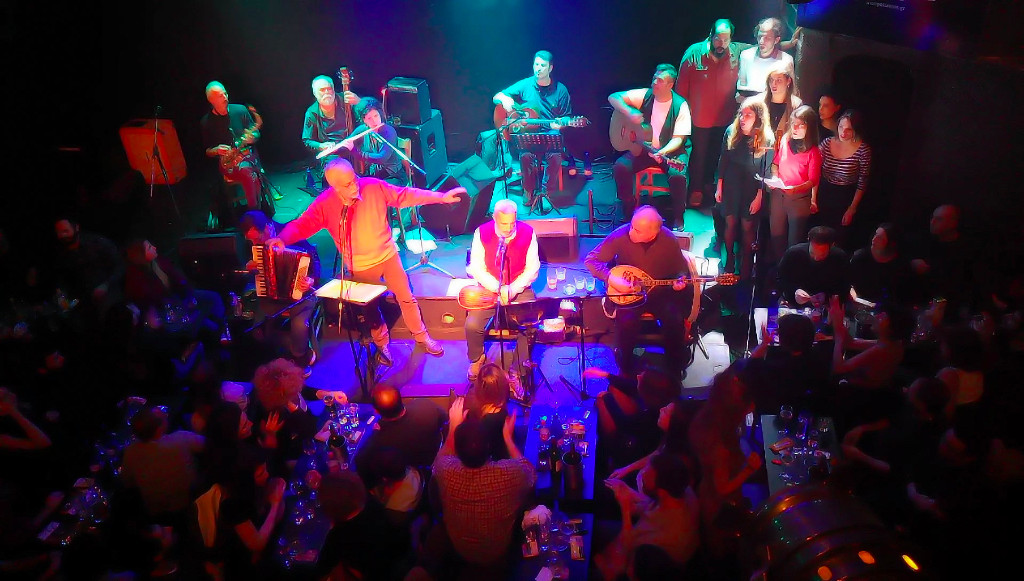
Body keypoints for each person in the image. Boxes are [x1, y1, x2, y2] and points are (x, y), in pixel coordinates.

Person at [266, 158, 465, 365]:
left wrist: (440, 197)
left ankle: (422, 336)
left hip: (388, 256)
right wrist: (283, 238)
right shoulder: (325, 204)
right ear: (334, 187)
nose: (355, 186)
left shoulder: (373, 186)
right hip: (360, 266)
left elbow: (404, 195)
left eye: (354, 179)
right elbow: (303, 225)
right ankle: (382, 344)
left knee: (407, 298)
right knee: (370, 309)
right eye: (347, 184)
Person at [584, 206, 700, 382]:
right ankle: (626, 368)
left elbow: (680, 272)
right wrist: (611, 278)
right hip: (630, 293)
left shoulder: (668, 240)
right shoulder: (621, 235)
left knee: (674, 320)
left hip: (660, 292)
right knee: (626, 322)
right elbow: (592, 260)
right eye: (632, 225)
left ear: (653, 234)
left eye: (637, 230)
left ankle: (673, 370)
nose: (631, 231)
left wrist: (679, 283)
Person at [430, 398, 535, 571]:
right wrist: (508, 438)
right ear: (488, 447)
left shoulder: (445, 470)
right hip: (499, 552)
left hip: (461, 550)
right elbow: (530, 473)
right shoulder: (508, 473)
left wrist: (454, 427)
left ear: (457, 451)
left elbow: (439, 460)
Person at [609, 64, 693, 230]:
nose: (654, 82)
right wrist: (629, 112)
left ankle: (678, 215)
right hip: (644, 149)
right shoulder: (645, 95)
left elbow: (679, 139)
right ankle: (628, 207)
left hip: (671, 151)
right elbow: (613, 97)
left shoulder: (680, 105)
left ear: (670, 85)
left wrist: (662, 152)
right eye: (654, 78)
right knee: (621, 167)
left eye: (660, 80)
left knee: (678, 175)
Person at [464, 199, 540, 380]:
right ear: (494, 218)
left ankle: (518, 369)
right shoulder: (481, 233)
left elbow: (532, 269)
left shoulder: (528, 232)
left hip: (518, 288)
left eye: (512, 223)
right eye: (504, 224)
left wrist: (512, 290)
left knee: (529, 325)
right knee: (472, 325)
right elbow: (477, 268)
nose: (509, 228)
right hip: (490, 288)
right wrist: (498, 289)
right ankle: (477, 358)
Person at [597, 452, 701, 580]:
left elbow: (628, 548)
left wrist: (625, 509)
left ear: (661, 491)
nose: (642, 475)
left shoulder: (666, 535)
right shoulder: (681, 490)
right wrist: (628, 491)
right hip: (634, 540)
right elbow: (652, 506)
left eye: (646, 476)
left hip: (637, 565)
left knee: (593, 536)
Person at [239, 210, 321, 371]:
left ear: (268, 227)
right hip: (270, 294)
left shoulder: (290, 233)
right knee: (256, 329)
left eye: (258, 238)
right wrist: (250, 270)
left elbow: (315, 261)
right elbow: (248, 272)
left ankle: (299, 356)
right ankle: (297, 347)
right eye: (251, 240)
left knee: (299, 325)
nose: (255, 243)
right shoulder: (252, 244)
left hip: (300, 294)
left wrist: (311, 279)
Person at [676, 19, 744, 208]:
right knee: (699, 155)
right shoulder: (694, 53)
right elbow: (680, 89)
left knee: (717, 154)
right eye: (718, 39)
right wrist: (683, 116)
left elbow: (763, 46)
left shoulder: (737, 51)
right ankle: (696, 189)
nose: (721, 43)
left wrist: (787, 43)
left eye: (726, 39)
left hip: (725, 117)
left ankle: (708, 185)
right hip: (700, 118)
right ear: (710, 36)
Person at [493, 50, 573, 207]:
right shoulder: (526, 84)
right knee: (525, 156)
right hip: (529, 133)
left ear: (550, 68)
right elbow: (496, 96)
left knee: (555, 156)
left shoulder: (561, 90)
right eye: (536, 64)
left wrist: (561, 124)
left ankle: (546, 193)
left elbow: (566, 117)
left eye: (542, 65)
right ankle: (528, 190)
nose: (538, 68)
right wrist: (504, 99)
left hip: (550, 132)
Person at [715, 98, 776, 278]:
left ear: (758, 117)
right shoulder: (731, 131)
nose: (743, 118)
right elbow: (723, 159)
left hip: (752, 186)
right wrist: (719, 185)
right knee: (730, 222)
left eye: (748, 115)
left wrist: (760, 195)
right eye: (741, 114)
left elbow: (766, 171)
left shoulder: (766, 138)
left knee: (747, 226)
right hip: (732, 183)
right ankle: (729, 259)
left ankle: (747, 264)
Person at [124, 239, 226, 344]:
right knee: (201, 319)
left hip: (179, 295)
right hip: (166, 307)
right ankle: (214, 333)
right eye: (149, 248)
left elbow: (179, 279)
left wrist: (188, 295)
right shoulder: (136, 275)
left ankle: (220, 327)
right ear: (141, 255)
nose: (154, 248)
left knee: (213, 297)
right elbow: (149, 300)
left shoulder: (160, 262)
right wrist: (178, 303)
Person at [315, 471, 408, 581]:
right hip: (393, 557)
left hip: (374, 573)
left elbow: (320, 569)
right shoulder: (371, 502)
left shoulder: (338, 537)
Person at [120, 405, 205, 524]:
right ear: (159, 428)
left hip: (156, 515)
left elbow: (128, 483)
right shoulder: (182, 438)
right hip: (192, 504)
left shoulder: (130, 453)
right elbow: (209, 444)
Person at [584, 366, 680, 469]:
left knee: (601, 400)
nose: (638, 376)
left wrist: (607, 397)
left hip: (633, 451)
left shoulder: (652, 416)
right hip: (637, 432)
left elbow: (624, 423)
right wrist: (605, 375)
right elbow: (632, 385)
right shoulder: (663, 399)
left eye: (642, 378)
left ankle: (602, 455)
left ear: (649, 391)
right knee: (613, 388)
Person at [200, 81, 267, 211]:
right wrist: (216, 150)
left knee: (247, 171)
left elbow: (257, 133)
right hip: (228, 164)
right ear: (211, 100)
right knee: (248, 172)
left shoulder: (240, 110)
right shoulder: (206, 122)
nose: (225, 97)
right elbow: (207, 151)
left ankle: (254, 209)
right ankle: (256, 210)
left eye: (225, 93)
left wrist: (252, 137)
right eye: (220, 96)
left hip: (247, 156)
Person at [770, 105, 821, 261]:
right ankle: (779, 267)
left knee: (794, 241)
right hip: (779, 195)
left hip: (799, 200)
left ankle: (791, 268)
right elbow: (775, 163)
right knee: (776, 236)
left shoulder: (814, 152)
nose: (795, 128)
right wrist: (775, 178)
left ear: (809, 128)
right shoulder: (786, 140)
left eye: (801, 125)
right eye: (793, 123)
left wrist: (795, 189)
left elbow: (813, 180)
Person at [355, 383, 445, 472]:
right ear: (400, 399)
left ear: (377, 411)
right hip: (434, 457)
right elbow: (445, 421)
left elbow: (361, 460)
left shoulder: (381, 441)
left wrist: (375, 433)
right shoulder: (425, 404)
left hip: (410, 471)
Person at [816, 110, 872, 248]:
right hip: (824, 192)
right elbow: (814, 169)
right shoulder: (827, 143)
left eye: (849, 129)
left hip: (845, 197)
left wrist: (852, 208)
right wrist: (813, 198)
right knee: (819, 235)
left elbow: (863, 182)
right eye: (841, 127)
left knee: (838, 238)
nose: (843, 132)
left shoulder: (863, 150)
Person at [52, 216, 124, 317]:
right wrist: (61, 296)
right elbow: (61, 278)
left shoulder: (97, 243)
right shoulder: (60, 252)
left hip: (109, 298)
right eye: (59, 232)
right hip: (82, 303)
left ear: (76, 228)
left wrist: (106, 285)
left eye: (65, 231)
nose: (62, 235)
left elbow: (119, 266)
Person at [910, 205, 973, 319]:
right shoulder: (926, 243)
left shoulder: (965, 250)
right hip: (924, 307)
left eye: (939, 219)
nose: (932, 222)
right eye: (932, 218)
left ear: (953, 223)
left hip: (953, 311)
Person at [301, 74, 361, 178]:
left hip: (354, 146)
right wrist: (321, 146)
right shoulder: (312, 113)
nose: (327, 92)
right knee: (337, 171)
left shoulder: (346, 100)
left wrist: (359, 102)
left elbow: (370, 113)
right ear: (315, 93)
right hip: (332, 153)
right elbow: (307, 140)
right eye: (322, 90)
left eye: (329, 89)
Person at [338, 97, 405, 184]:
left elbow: (381, 158)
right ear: (364, 120)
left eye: (376, 116)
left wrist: (355, 151)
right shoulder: (362, 129)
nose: (374, 121)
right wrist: (333, 148)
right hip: (374, 175)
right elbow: (346, 143)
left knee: (377, 190)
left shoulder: (389, 131)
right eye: (369, 118)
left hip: (393, 176)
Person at [778, 226, 850, 307]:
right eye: (812, 253)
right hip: (793, 302)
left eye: (822, 255)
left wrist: (827, 296)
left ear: (832, 245)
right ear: (808, 240)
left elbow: (845, 287)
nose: (816, 258)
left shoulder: (839, 258)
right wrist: (794, 291)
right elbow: (780, 279)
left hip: (827, 305)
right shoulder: (793, 253)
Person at [849, 223, 917, 307]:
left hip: (887, 308)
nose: (874, 239)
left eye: (880, 238)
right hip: (860, 303)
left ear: (890, 244)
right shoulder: (860, 257)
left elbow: (901, 296)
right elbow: (849, 281)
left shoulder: (900, 265)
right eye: (875, 234)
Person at [736, 17, 796, 102]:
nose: (761, 41)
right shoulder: (746, 56)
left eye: (767, 38)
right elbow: (741, 86)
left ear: (776, 40)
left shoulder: (785, 60)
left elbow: (792, 92)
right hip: (750, 106)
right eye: (760, 36)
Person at [757, 61, 802, 146]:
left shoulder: (796, 105)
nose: (774, 84)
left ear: (788, 81)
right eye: (771, 80)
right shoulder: (759, 101)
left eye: (779, 80)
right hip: (762, 149)